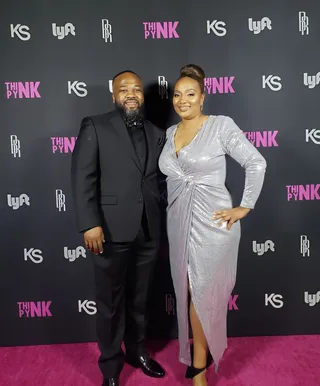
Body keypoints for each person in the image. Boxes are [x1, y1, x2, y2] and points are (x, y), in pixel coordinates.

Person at [159, 64, 267, 386]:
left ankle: (199, 371)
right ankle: (198, 364)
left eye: (190, 94)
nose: (182, 100)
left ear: (202, 98)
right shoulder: (169, 133)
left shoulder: (220, 126)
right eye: (177, 95)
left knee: (203, 294)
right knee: (190, 292)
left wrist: (244, 207)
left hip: (212, 225)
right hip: (179, 224)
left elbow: (255, 162)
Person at [71, 70, 166, 386]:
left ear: (142, 95)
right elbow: (83, 178)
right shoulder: (95, 125)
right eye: (124, 89)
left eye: (136, 89)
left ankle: (137, 351)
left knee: (139, 300)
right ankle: (110, 369)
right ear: (113, 94)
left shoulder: (156, 132)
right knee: (110, 304)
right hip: (109, 233)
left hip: (148, 232)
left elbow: (159, 181)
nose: (131, 93)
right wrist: (90, 223)